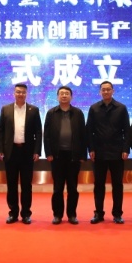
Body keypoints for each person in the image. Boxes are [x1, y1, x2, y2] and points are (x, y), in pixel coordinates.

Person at [86, 81, 131, 224]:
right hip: (99, 152)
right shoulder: (94, 108)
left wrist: (126, 149)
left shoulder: (121, 108)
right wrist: (91, 149)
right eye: (103, 90)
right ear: (100, 92)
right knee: (99, 184)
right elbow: (89, 131)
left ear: (113, 91)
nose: (106, 92)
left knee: (117, 184)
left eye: (108, 89)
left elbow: (127, 130)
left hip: (117, 152)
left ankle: (117, 214)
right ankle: (98, 213)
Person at [0, 83, 42, 225]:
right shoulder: (6, 109)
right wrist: (0, 149)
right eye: (18, 92)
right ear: (14, 93)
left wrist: (37, 151)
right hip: (11, 151)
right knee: (11, 184)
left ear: (26, 94)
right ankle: (13, 213)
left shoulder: (34, 110)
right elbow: (0, 131)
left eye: (23, 92)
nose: (20, 94)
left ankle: (26, 213)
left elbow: (38, 132)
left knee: (27, 185)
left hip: (27, 152)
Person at [43, 86, 86, 225]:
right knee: (58, 188)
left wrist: (82, 154)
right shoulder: (51, 113)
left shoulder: (78, 113)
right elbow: (46, 135)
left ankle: (72, 214)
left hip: (73, 156)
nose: (64, 95)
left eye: (67, 93)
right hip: (57, 156)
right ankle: (57, 215)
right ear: (57, 97)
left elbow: (83, 135)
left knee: (73, 188)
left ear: (71, 97)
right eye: (61, 93)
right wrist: (48, 153)